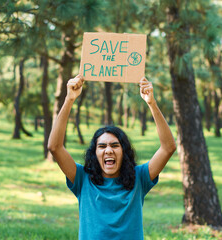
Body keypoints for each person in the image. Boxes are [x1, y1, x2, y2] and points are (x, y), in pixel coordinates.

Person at [48, 75, 176, 240]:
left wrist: (152, 103)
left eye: (115, 145)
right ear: (95, 154)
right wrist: (69, 99)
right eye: (102, 146)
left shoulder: (140, 178)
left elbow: (168, 147)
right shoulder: (82, 178)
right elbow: (54, 147)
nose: (108, 150)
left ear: (124, 152)